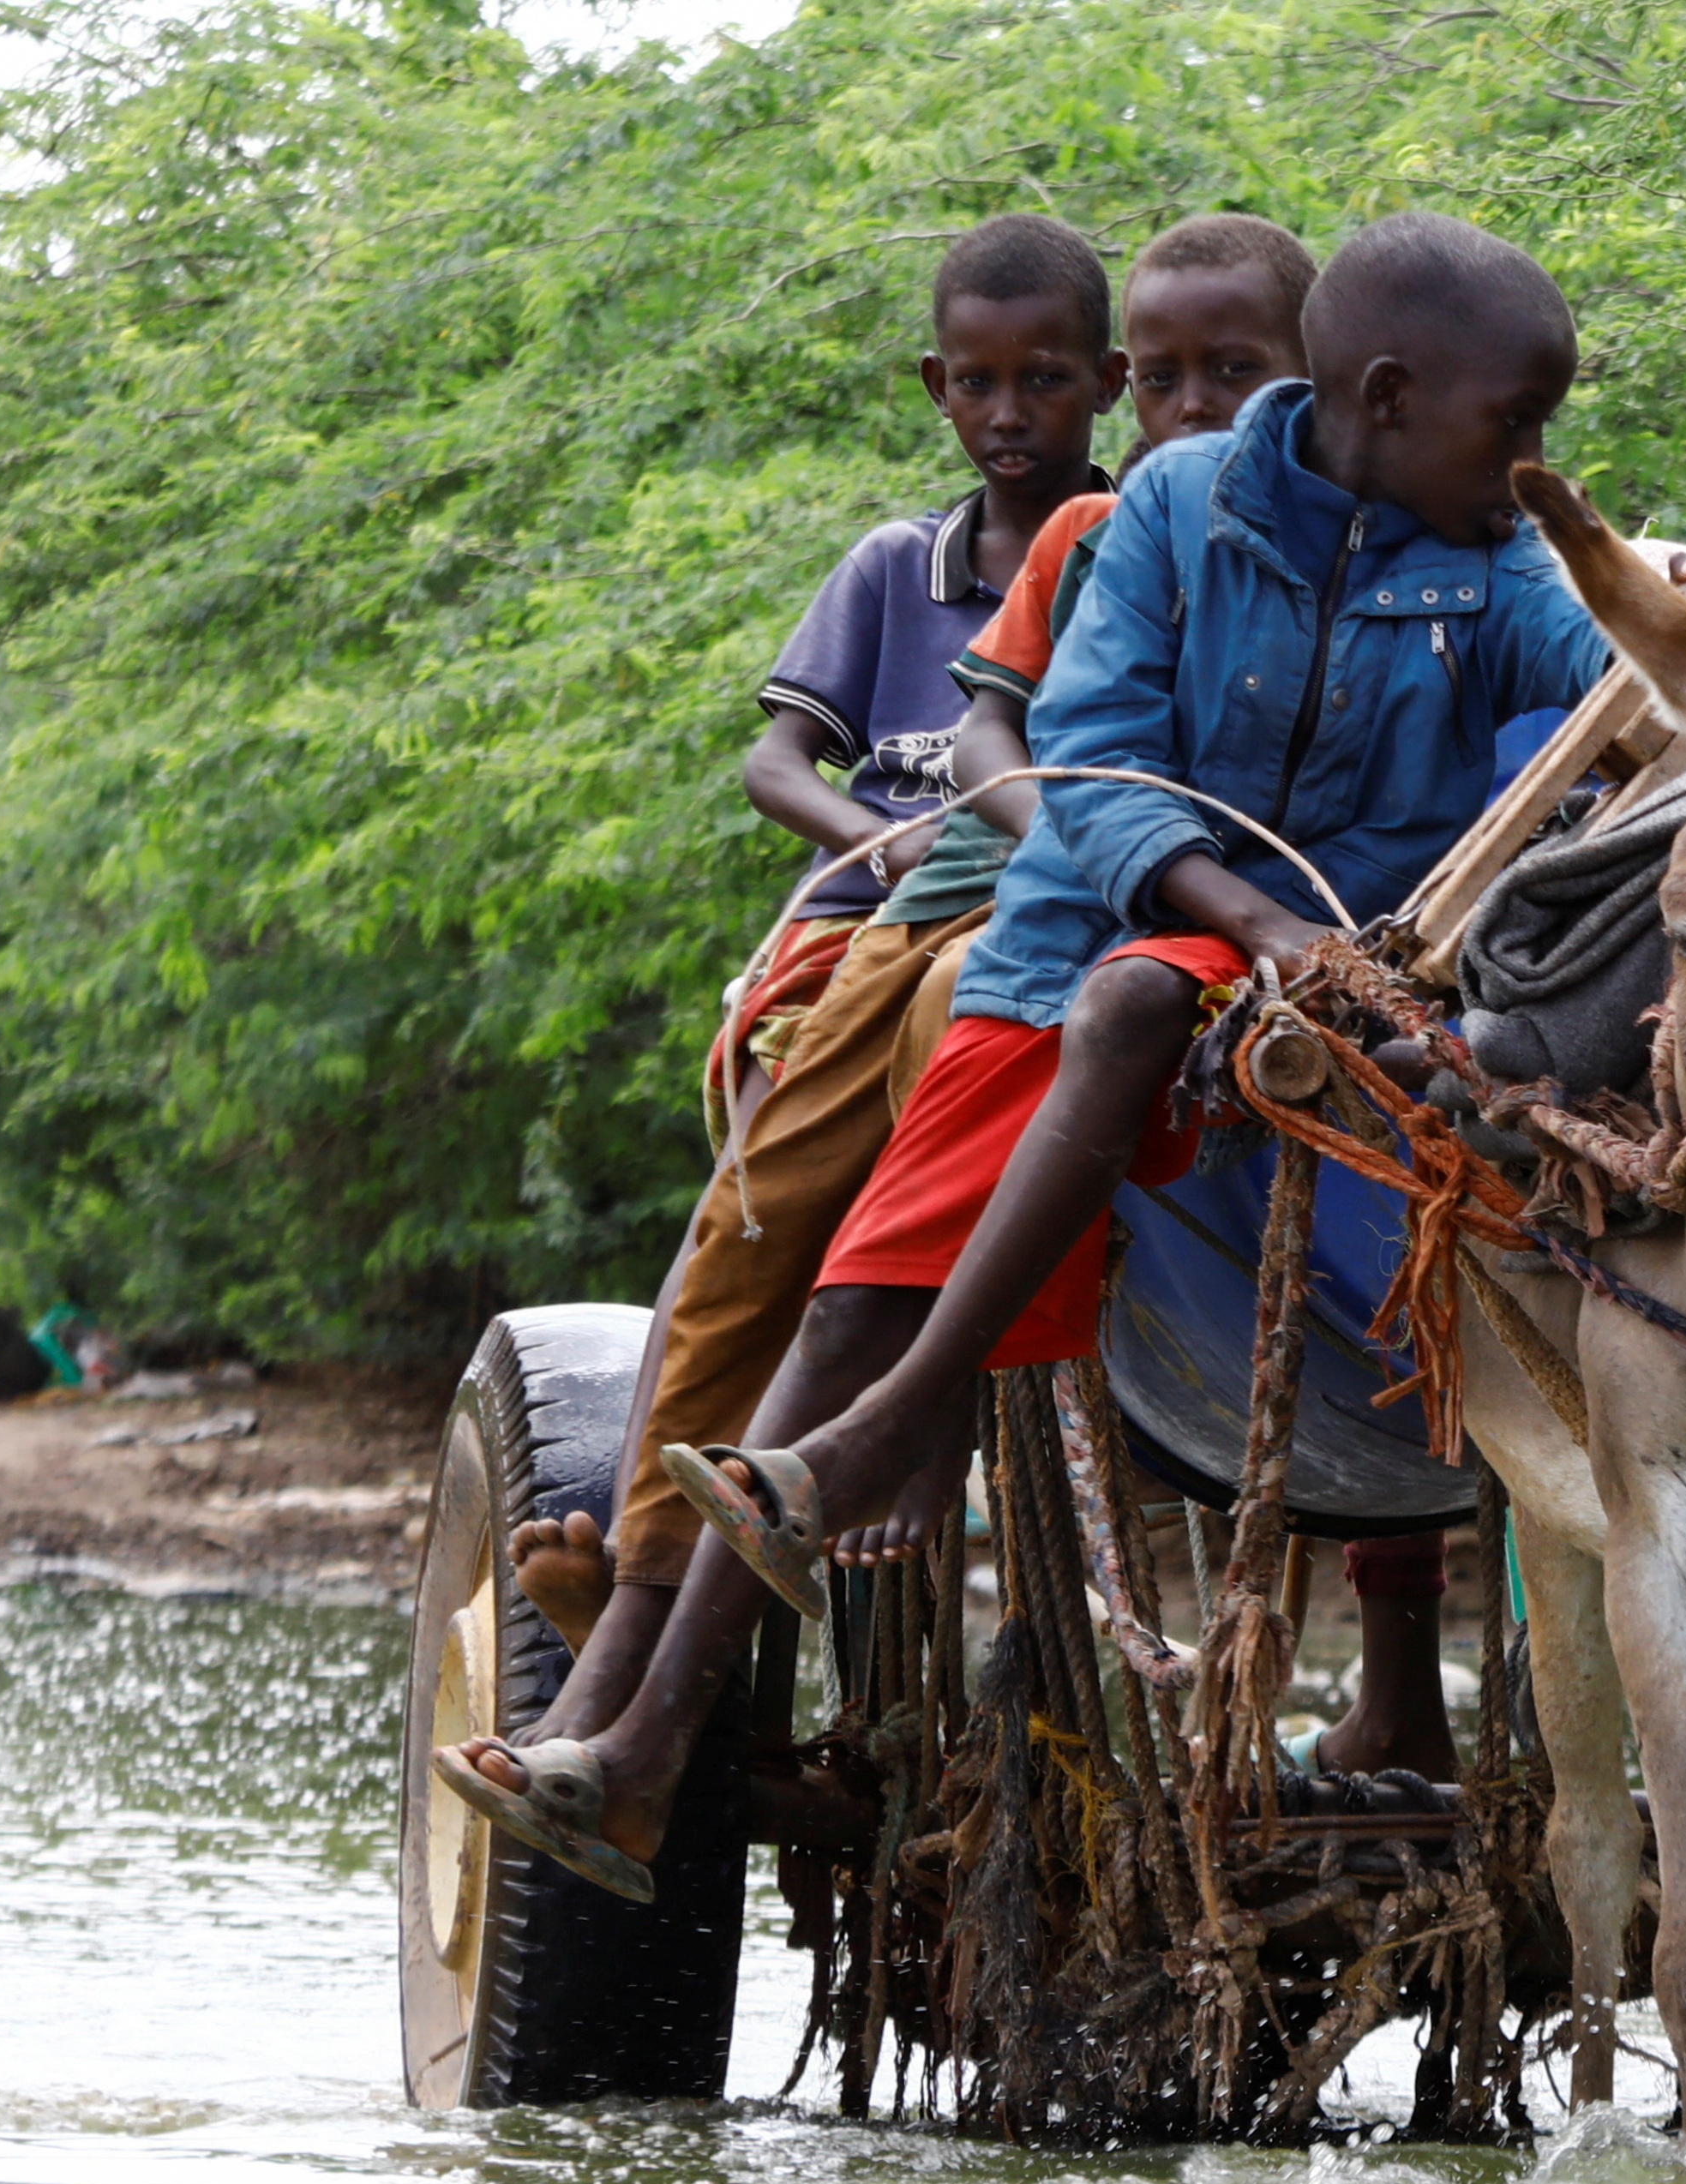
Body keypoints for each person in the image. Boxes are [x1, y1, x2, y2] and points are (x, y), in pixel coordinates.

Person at [446, 213, 1611, 1898]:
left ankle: (882, 1458)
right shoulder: (1164, 511)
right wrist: (1256, 922)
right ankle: (638, 1739)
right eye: (1513, 425)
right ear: (1383, 398)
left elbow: (1610, 675)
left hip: (1335, 961)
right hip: (1086, 927)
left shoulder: (1491, 562)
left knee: (1220, 1036)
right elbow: (1087, 760)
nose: (1533, 463)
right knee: (846, 1285)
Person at [502, 212, 1128, 1740]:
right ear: (934, 386)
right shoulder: (897, 568)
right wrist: (880, 841)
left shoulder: (1138, 550)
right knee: (755, 1185)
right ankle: (651, 1554)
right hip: (870, 908)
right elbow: (775, 762)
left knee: (963, 1022)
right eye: (977, 383)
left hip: (1042, 919)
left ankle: (916, 1430)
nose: (1008, 414)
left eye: (1044, 380)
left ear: (1105, 385)